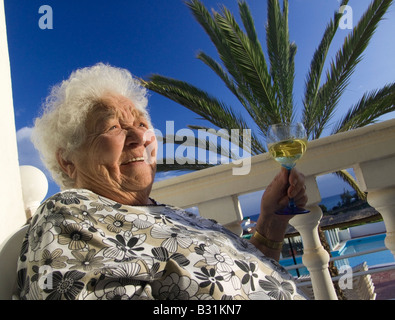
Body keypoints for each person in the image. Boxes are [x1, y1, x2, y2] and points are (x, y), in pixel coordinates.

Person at [15, 63, 308, 300]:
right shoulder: (69, 215)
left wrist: (271, 220)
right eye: (113, 126)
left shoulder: (166, 215)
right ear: (68, 160)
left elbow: (247, 278)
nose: (140, 137)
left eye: (142, 124)